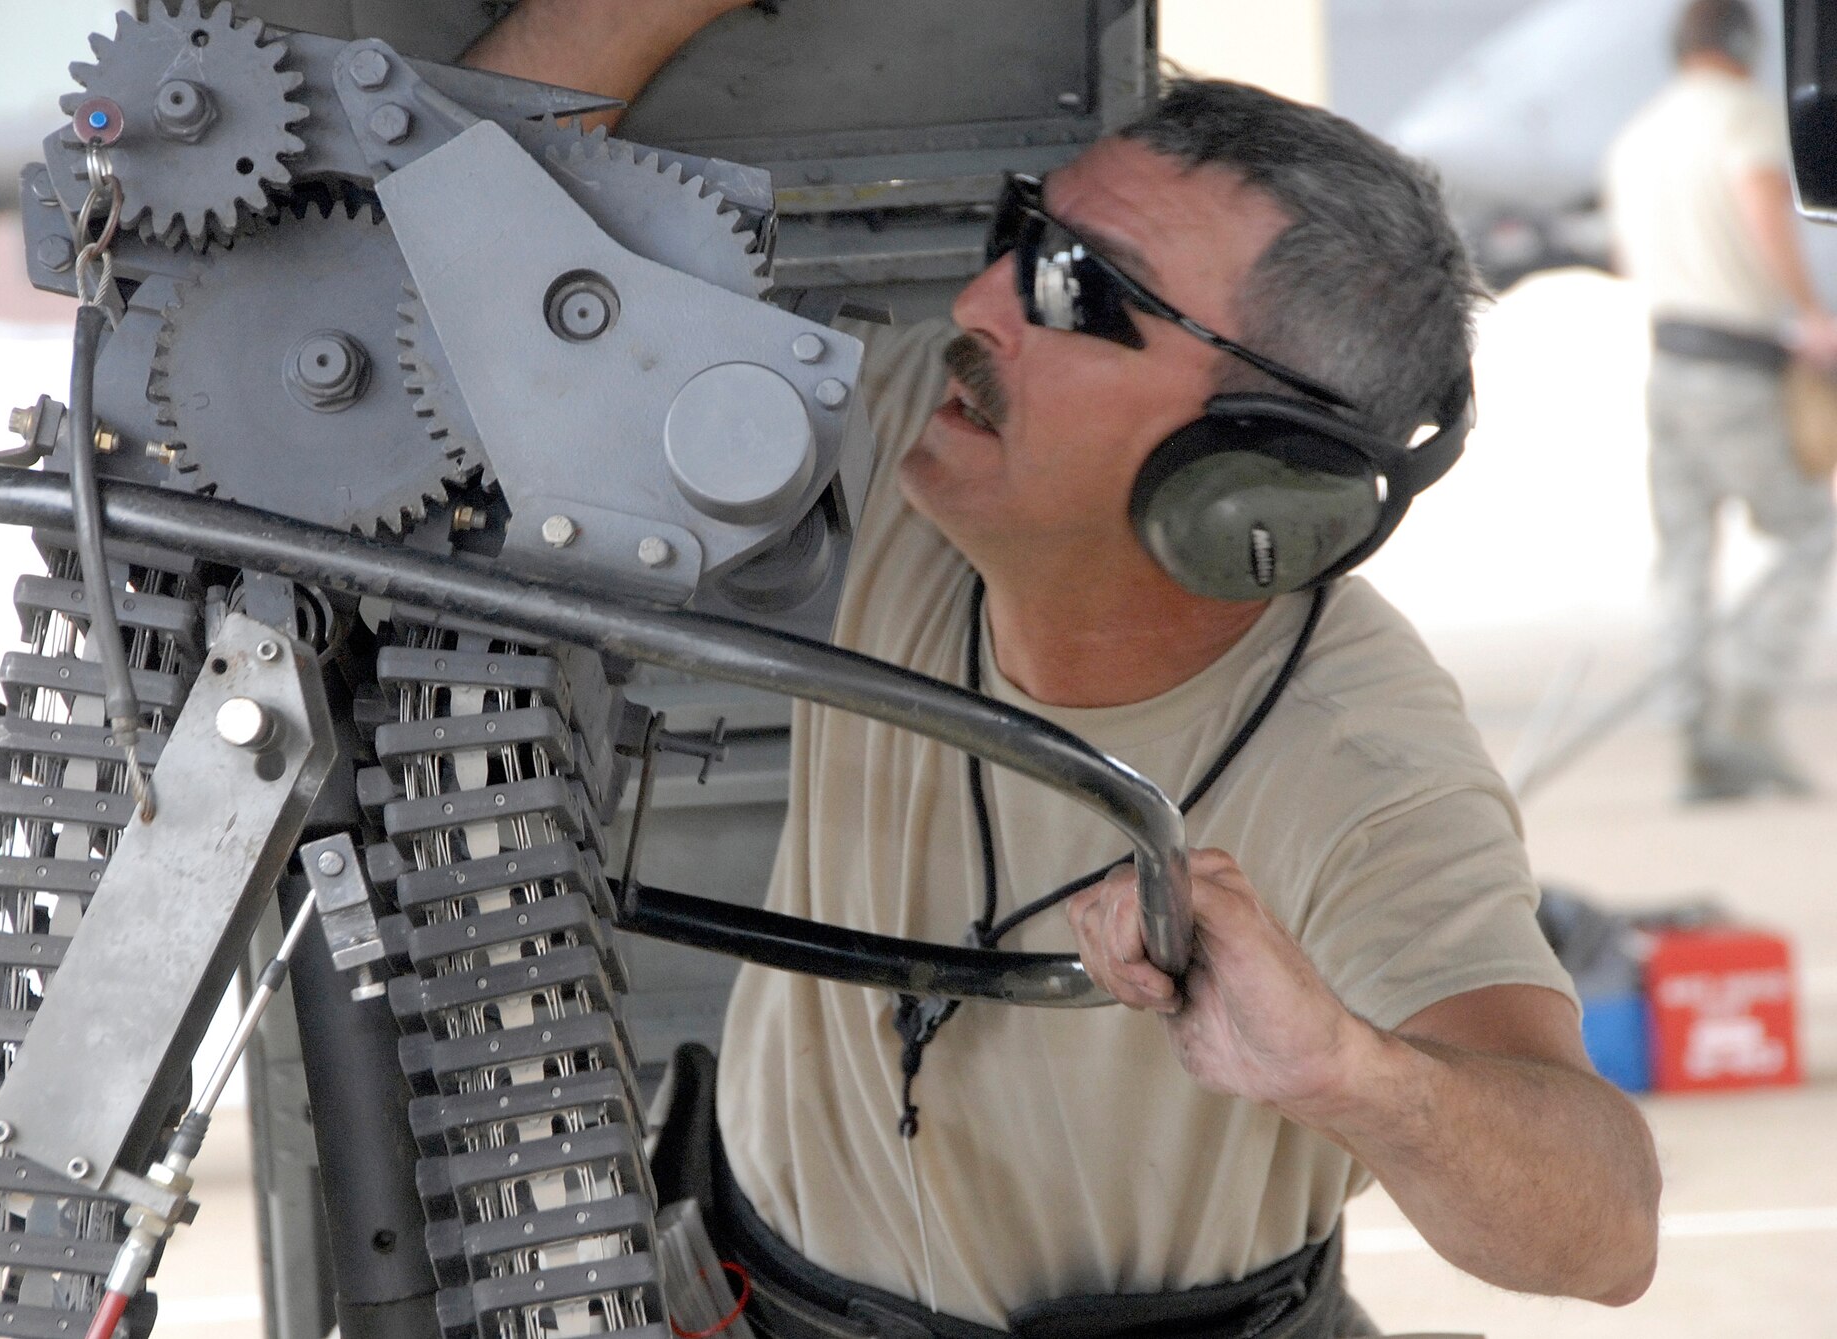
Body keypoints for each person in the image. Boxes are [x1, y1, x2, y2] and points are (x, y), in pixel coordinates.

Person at [469, 4, 1662, 1335]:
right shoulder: (925, 431)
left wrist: (1348, 1070)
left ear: (1245, 472)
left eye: (1076, 289)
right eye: (1020, 235)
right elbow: (457, 263)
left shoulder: (1359, 761)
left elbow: (1604, 1230)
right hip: (751, 1294)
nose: (977, 303)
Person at [1604, 0, 1837, 803]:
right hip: (1737, 368)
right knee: (1809, 531)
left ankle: (1691, 731)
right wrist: (1810, 313)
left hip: (1667, 364)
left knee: (1684, 554)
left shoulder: (1638, 134)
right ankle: (1747, 709)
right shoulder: (1743, 118)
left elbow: (1628, 256)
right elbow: (1761, 204)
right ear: (1744, 43)